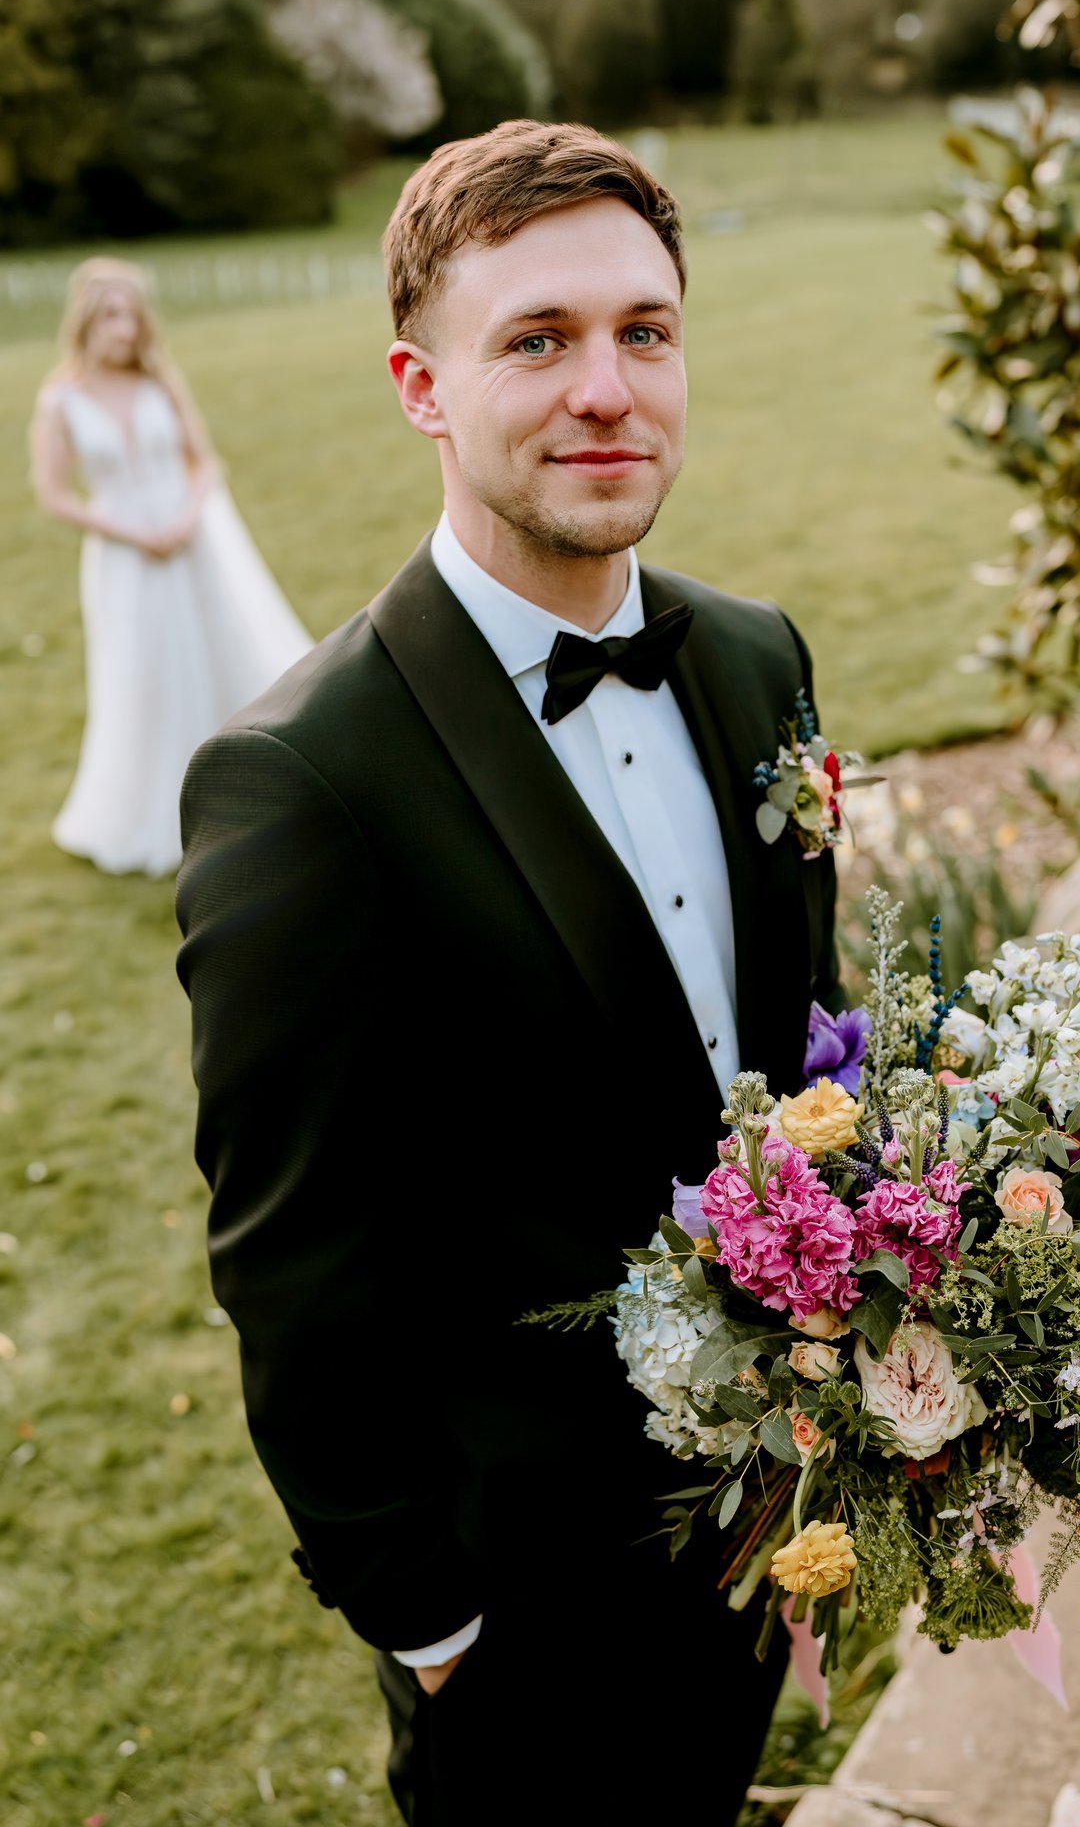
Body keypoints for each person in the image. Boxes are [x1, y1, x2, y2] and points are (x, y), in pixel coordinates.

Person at [176, 122, 842, 1824]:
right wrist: (431, 1617)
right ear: (422, 385)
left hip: (767, 1526)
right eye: (536, 341)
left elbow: (802, 1071)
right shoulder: (302, 778)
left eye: (644, 330)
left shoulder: (759, 659)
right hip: (524, 1613)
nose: (606, 386)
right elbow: (293, 1261)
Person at [30, 258, 312, 877]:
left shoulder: (161, 382)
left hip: (193, 537)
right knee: (144, 670)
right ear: (85, 320)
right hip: (123, 553)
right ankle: (158, 806)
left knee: (219, 651)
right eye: (110, 315)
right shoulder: (60, 401)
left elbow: (204, 460)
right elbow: (55, 494)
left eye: (131, 315)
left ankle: (249, 787)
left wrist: (187, 517)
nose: (123, 329)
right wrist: (133, 533)